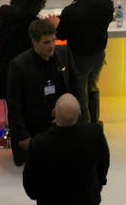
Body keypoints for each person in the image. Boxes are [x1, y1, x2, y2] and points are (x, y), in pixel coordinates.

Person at [7, 17, 86, 165]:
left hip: (63, 124)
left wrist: (81, 113)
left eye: (53, 41)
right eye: (46, 42)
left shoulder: (64, 53)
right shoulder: (19, 65)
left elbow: (77, 84)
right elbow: (14, 104)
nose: (51, 46)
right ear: (34, 42)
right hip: (36, 126)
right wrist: (23, 136)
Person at [49, 0, 113, 123]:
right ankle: (95, 123)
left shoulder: (70, 11)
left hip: (79, 60)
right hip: (99, 56)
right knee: (93, 88)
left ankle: (86, 130)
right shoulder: (106, 2)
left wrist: (57, 23)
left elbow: (61, 35)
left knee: (81, 95)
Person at [0, 0, 47, 99]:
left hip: (6, 70)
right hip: (27, 74)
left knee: (11, 106)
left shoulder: (4, 12)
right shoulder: (35, 25)